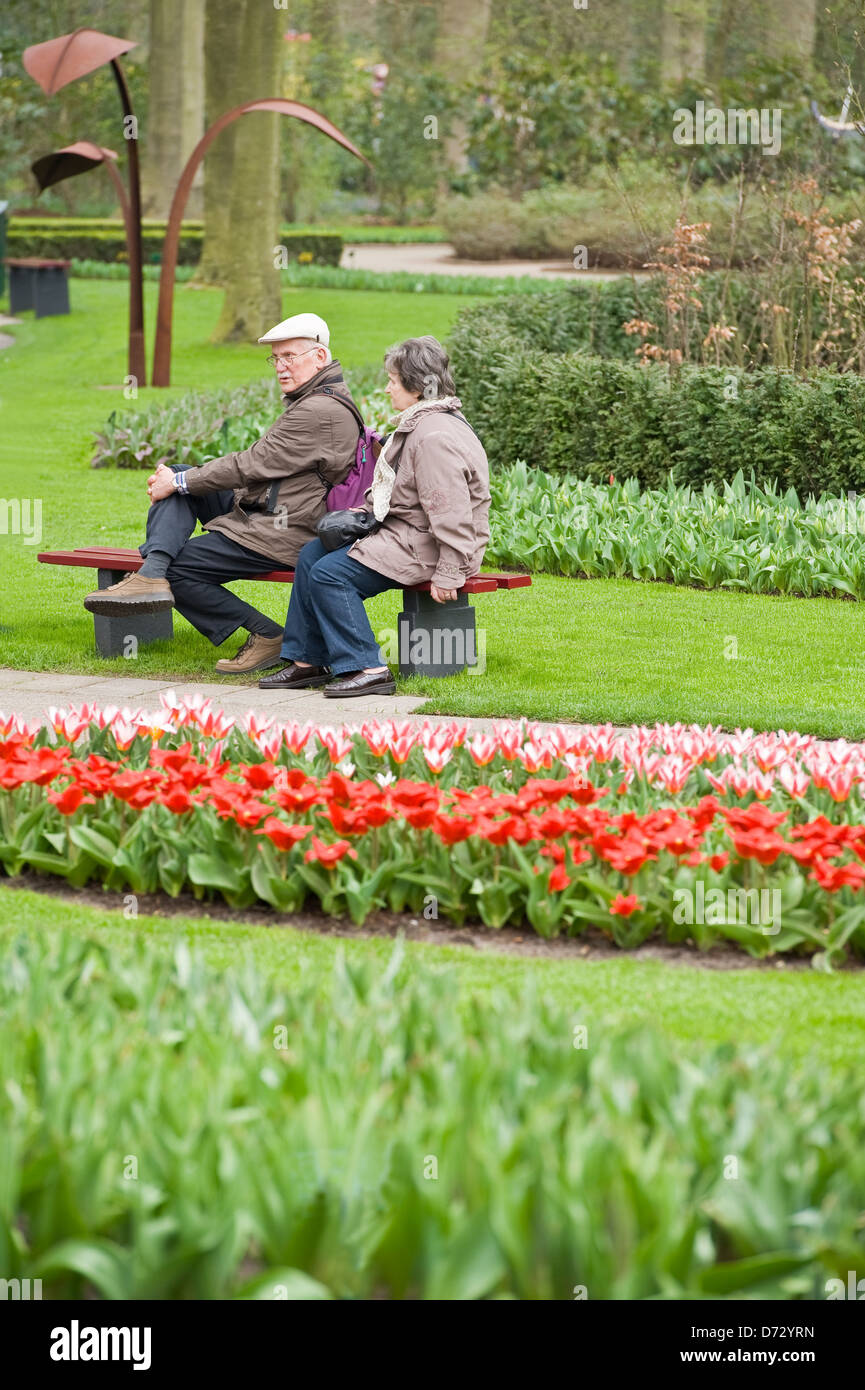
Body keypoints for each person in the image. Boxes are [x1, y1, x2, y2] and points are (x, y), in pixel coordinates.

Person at [83, 313, 362, 675]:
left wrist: (179, 483)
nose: (280, 367)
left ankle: (266, 634)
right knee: (181, 476)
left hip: (284, 530)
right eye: (276, 358)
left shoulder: (319, 410)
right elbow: (263, 466)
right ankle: (151, 573)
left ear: (320, 356)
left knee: (176, 568)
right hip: (268, 510)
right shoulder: (316, 399)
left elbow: (253, 463)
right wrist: (183, 480)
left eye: (290, 356)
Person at [259, 335, 490, 697]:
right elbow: (403, 490)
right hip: (410, 533)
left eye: (393, 381)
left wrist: (449, 570)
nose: (387, 388)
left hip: (434, 547)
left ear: (417, 387)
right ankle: (308, 661)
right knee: (312, 555)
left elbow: (450, 510)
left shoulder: (434, 436)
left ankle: (370, 668)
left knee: (331, 575)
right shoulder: (423, 422)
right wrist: (364, 512)